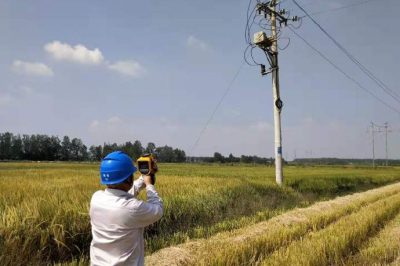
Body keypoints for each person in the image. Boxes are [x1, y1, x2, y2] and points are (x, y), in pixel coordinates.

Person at [90, 151, 163, 266]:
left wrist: (143, 178)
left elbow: (121, 196)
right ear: (128, 179)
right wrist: (149, 185)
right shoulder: (133, 208)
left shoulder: (96, 198)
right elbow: (157, 210)